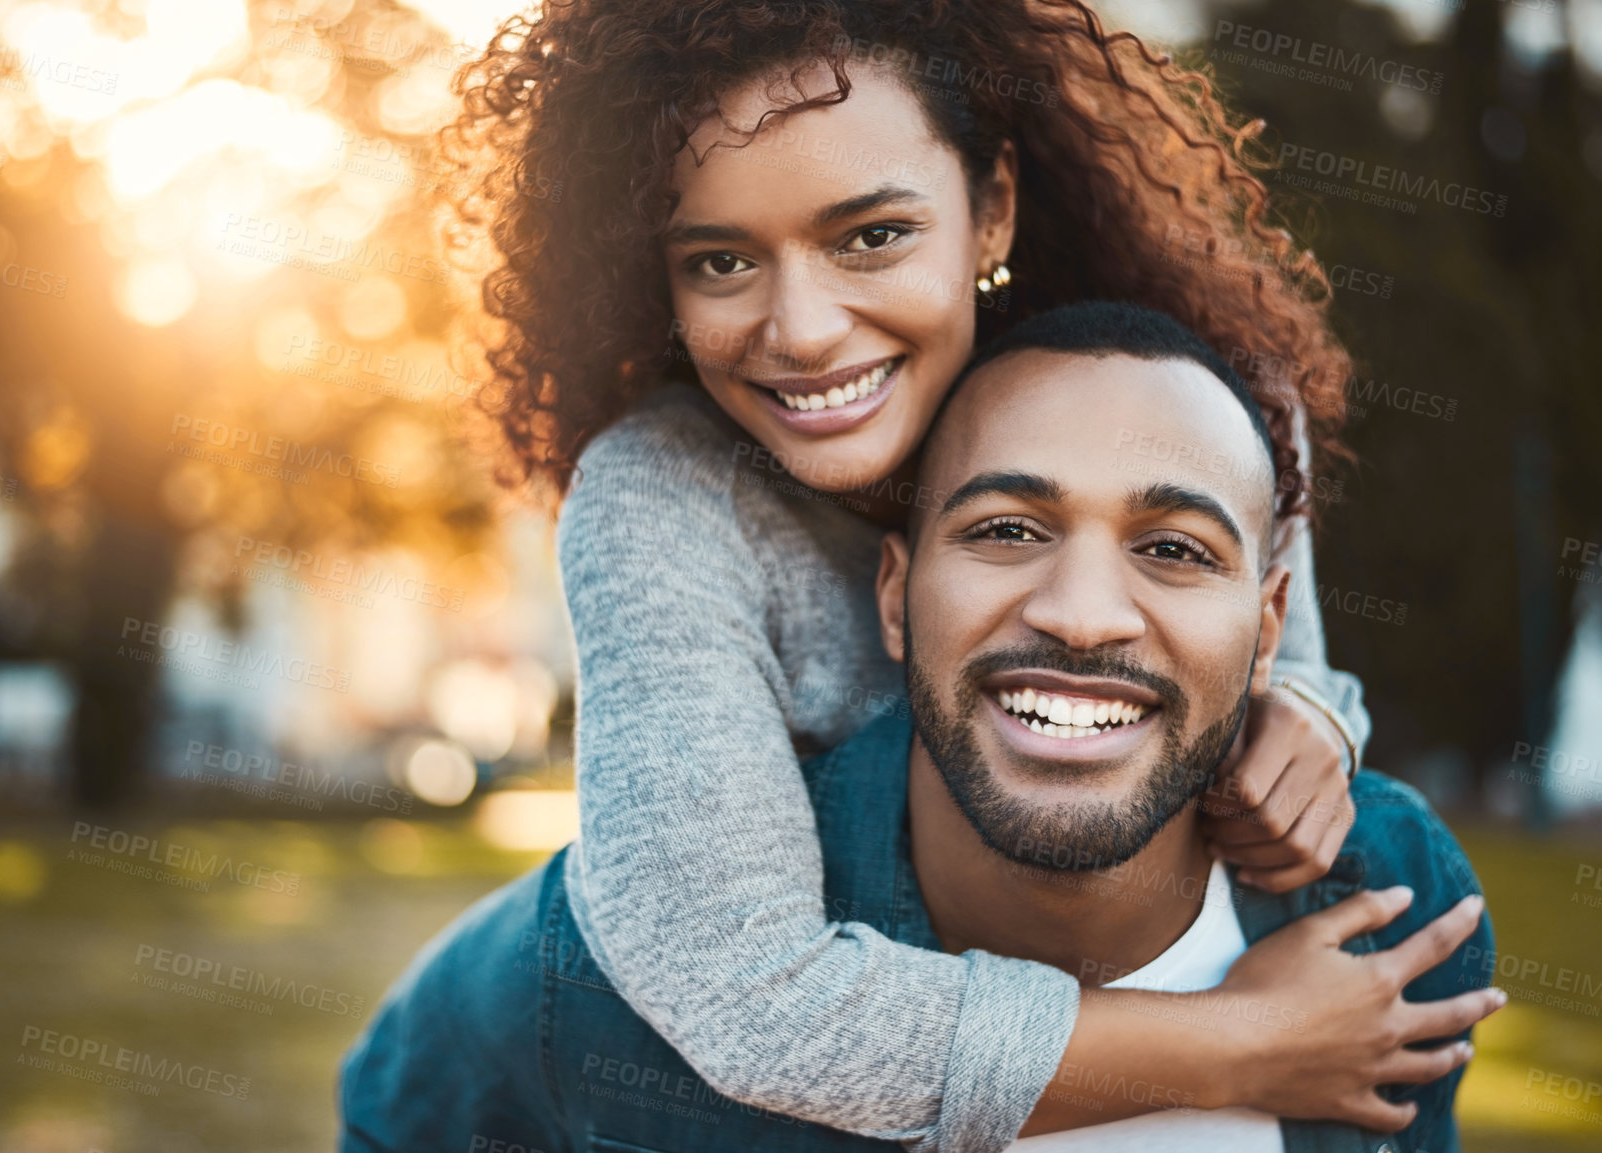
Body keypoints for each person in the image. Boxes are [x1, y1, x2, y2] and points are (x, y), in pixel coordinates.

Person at [445, 1, 1399, 1145]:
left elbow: (1273, 647)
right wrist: (1243, 1044)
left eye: (870, 236)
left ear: (988, 209)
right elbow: (752, 1001)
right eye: (718, 260)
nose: (799, 331)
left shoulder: (1183, 403)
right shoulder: (665, 498)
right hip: (495, 1079)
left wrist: (1307, 707)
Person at [339, 303, 1500, 1153]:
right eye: (1004, 530)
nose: (1083, 616)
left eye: (1172, 549)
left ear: (1269, 624)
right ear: (891, 594)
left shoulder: (1388, 908)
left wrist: (1308, 698)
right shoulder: (607, 982)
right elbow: (403, 1101)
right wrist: (1232, 1043)